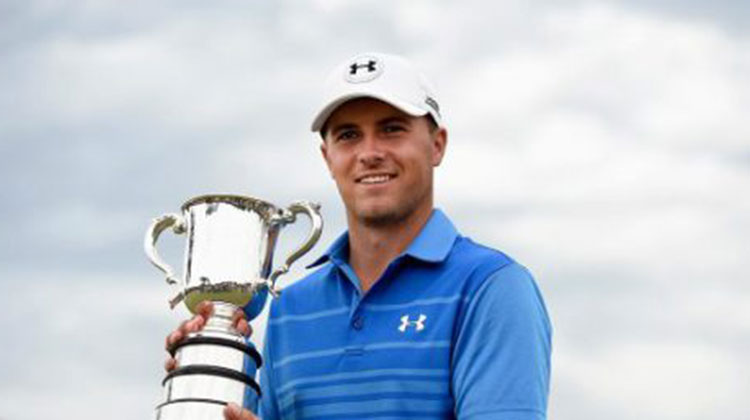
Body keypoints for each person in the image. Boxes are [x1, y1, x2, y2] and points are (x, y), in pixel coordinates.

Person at [165, 52, 552, 420]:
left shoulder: (492, 287)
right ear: (327, 157)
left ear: (437, 145)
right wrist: (210, 370)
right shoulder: (292, 307)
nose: (370, 152)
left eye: (391, 129)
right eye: (349, 135)